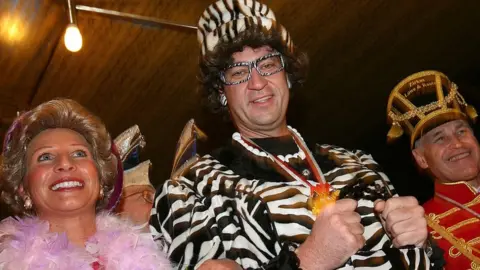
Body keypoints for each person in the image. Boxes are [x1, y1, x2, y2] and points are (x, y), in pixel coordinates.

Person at [150, 1, 433, 269]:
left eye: (269, 64)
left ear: (286, 75)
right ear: (221, 93)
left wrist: (421, 245)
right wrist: (310, 260)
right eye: (238, 72)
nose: (258, 82)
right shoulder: (192, 190)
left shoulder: (360, 166)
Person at [0, 99, 171, 269]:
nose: (65, 163)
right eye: (45, 157)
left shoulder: (150, 254)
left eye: (79, 153)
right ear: (23, 189)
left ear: (100, 179)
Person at [387, 70, 480, 269]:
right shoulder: (416, 228)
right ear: (421, 159)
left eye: (462, 131)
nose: (457, 143)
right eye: (440, 138)